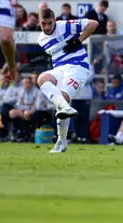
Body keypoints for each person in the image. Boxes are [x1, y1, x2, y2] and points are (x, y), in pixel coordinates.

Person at [36, 9, 99, 153]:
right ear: (39, 22)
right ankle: (65, 110)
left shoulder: (65, 25)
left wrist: (78, 40)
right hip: (60, 68)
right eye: (43, 24)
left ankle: (61, 141)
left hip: (78, 68)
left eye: (49, 23)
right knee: (42, 78)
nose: (46, 27)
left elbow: (93, 23)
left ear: (55, 20)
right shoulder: (41, 39)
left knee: (62, 98)